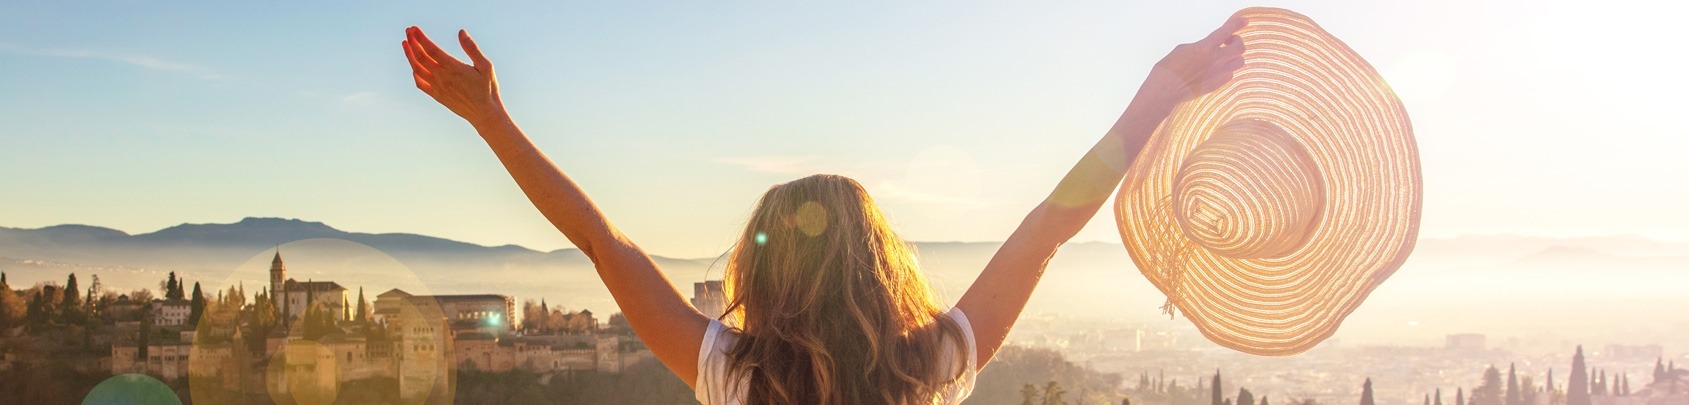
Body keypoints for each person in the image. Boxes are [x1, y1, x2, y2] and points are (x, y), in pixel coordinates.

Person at [400, 16, 1246, 404]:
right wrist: (1154, 100)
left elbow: (596, 237)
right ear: (880, 266)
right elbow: (1048, 228)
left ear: (764, 274)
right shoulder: (935, 364)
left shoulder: (732, 375)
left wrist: (492, 122)